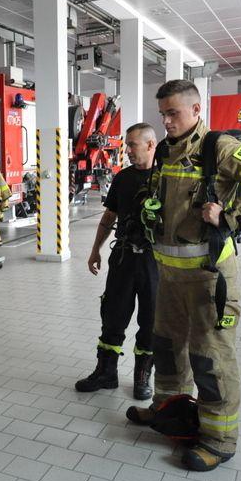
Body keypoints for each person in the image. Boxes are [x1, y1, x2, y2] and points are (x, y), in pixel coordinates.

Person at [126, 79, 241, 471]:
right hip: (170, 276)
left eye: (173, 113)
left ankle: (219, 440)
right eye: (163, 114)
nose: (167, 121)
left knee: (210, 358)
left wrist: (231, 217)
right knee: (167, 348)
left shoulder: (219, 147)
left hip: (209, 278)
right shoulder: (164, 151)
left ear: (196, 109)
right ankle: (168, 410)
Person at [75, 123, 158, 400]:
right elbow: (109, 216)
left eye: (132, 144)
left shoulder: (166, 179)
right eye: (127, 144)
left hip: (154, 262)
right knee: (112, 316)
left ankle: (142, 376)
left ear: (150, 144)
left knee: (151, 320)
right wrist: (95, 250)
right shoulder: (123, 178)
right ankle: (106, 372)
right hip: (123, 258)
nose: (128, 150)